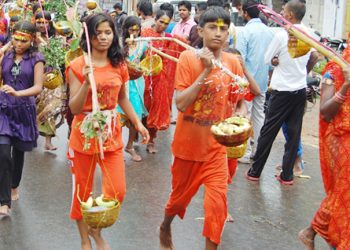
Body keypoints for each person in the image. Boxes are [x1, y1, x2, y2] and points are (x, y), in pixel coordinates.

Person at [159, 7, 244, 250]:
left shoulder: (232, 63)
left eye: (223, 29)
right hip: (187, 149)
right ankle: (165, 226)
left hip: (217, 151)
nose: (218, 33)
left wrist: (240, 118)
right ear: (200, 30)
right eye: (212, 27)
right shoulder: (188, 58)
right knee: (176, 202)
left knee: (217, 208)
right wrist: (207, 69)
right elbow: (182, 103)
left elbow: (239, 102)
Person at [66, 13, 149, 249]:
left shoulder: (119, 64)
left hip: (111, 135)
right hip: (83, 135)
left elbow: (122, 97)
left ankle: (95, 228)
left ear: (114, 35)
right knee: (82, 192)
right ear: (89, 36)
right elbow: (74, 107)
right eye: (97, 33)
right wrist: (85, 82)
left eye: (107, 32)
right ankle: (85, 241)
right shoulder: (77, 65)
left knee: (117, 191)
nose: (103, 37)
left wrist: (138, 122)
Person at [245, 0, 318, 185]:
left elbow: (266, 59)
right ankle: (287, 175)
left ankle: (255, 171)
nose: (281, 13)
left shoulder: (282, 34)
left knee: (268, 132)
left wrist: (276, 61)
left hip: (281, 90)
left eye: (284, 10)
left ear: (290, 15)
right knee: (294, 134)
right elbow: (315, 56)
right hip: (299, 89)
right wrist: (302, 70)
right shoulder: (309, 33)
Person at [298, 43, 350, 250]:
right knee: (344, 191)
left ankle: (312, 231)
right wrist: (346, 85)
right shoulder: (333, 70)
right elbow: (326, 112)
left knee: (343, 192)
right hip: (341, 140)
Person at [0, 21, 45, 215]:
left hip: (23, 109)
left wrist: (18, 94)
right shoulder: (6, 56)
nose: (18, 43)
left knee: (18, 153)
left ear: (32, 39)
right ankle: (4, 201)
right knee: (3, 153)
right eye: (15, 39)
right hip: (3, 109)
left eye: (23, 40)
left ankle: (14, 184)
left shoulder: (36, 58)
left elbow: (38, 87)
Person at [141, 9, 185, 153]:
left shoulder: (169, 38)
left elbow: (183, 48)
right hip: (144, 77)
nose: (163, 25)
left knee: (156, 109)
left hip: (161, 81)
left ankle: (151, 141)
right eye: (161, 22)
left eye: (167, 23)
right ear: (155, 19)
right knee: (142, 108)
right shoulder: (145, 34)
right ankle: (136, 136)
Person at [235, 0, 274, 163]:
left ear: (245, 13)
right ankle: (257, 151)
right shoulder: (269, 32)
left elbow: (239, 59)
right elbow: (272, 61)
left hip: (247, 82)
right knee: (259, 117)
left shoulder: (245, 32)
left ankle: (245, 152)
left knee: (245, 115)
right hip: (263, 82)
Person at [35, 11, 66, 151]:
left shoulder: (56, 39)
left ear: (49, 23)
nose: (42, 25)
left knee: (52, 109)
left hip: (52, 78)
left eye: (45, 22)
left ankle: (48, 141)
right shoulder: (29, 38)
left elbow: (57, 55)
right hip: (34, 78)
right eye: (39, 22)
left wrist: (42, 41)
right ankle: (31, 135)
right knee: (34, 108)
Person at [118, 16, 148, 162]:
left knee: (135, 116)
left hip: (136, 84)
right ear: (125, 30)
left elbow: (145, 60)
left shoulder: (143, 44)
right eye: (131, 30)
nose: (134, 33)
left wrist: (141, 68)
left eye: (137, 30)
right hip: (121, 83)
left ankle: (130, 146)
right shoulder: (118, 43)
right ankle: (116, 148)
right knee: (118, 118)